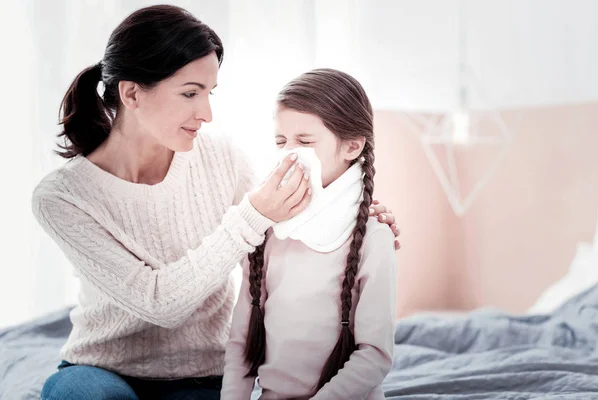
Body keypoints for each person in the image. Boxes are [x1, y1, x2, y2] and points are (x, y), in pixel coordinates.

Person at [33, 5, 400, 400]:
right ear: (132, 93)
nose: (206, 113)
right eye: (191, 93)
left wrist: (359, 216)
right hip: (100, 371)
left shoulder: (222, 157)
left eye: (210, 93)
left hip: (203, 376)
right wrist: (253, 214)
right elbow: (158, 302)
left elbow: (290, 220)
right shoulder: (63, 197)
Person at [221, 69, 397, 400]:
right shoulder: (267, 229)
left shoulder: (374, 237)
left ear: (352, 146)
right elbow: (240, 345)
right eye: (280, 141)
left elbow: (375, 356)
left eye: (304, 142)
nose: (289, 153)